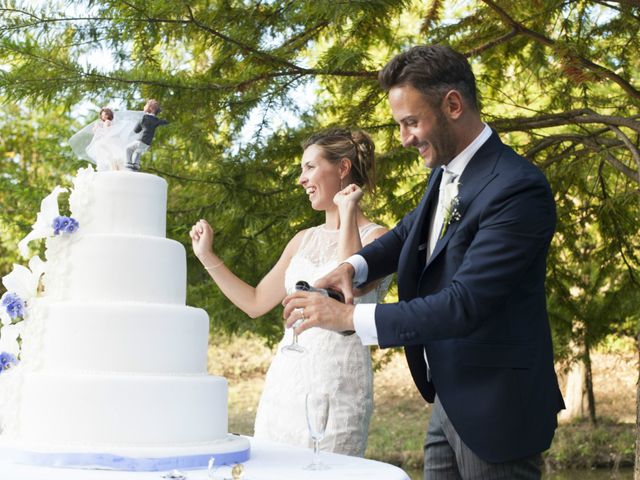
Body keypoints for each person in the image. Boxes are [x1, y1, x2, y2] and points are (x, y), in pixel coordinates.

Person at [283, 45, 565, 479]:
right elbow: (406, 236)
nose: (404, 138)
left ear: (453, 104)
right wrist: (353, 268)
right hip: (448, 400)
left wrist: (349, 318)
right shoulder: (445, 174)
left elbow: (464, 303)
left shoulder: (517, 189)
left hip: (498, 409)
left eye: (411, 122)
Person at [190, 128, 390, 456]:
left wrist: (348, 212)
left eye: (310, 167)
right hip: (285, 386)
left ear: (342, 169)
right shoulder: (302, 239)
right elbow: (255, 302)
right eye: (302, 169)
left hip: (336, 388)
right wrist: (207, 256)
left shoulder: (378, 238)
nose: (301, 179)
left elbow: (346, 289)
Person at [125, 99, 168, 171]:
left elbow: (136, 130)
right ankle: (136, 164)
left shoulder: (144, 118)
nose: (144, 106)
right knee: (138, 152)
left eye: (145, 105)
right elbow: (164, 122)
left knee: (128, 148)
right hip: (147, 143)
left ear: (150, 108)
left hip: (141, 140)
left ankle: (129, 163)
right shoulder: (156, 120)